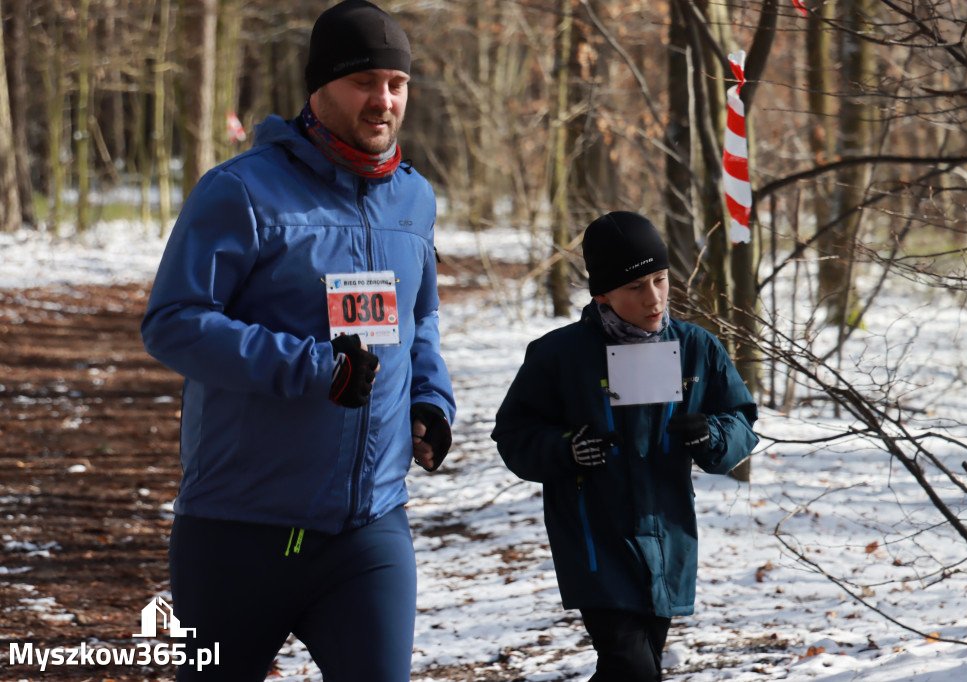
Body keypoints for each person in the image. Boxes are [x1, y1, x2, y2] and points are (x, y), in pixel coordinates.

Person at [140, 1, 455, 679]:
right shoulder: (240, 192)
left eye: (396, 84)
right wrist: (314, 369)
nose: (384, 100)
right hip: (239, 528)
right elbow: (174, 322)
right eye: (365, 81)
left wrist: (430, 402)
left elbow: (419, 320)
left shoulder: (415, 199)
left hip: (369, 527)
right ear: (319, 87)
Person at [491, 211, 758, 681]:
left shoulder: (697, 348)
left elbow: (741, 423)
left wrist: (711, 436)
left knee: (636, 668)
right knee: (632, 669)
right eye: (636, 288)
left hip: (668, 538)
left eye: (660, 280)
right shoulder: (558, 355)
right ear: (602, 294)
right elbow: (514, 435)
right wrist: (567, 449)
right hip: (595, 541)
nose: (654, 298)